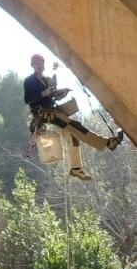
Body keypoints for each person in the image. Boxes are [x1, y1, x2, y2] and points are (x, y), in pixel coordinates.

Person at [23, 53, 123, 181]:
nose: (38, 65)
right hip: (45, 114)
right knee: (75, 126)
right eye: (36, 63)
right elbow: (28, 99)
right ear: (32, 65)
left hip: (53, 111)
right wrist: (46, 92)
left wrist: (61, 92)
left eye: (40, 63)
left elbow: (52, 96)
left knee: (73, 135)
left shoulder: (47, 79)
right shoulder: (29, 81)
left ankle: (76, 168)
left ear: (43, 64)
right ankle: (107, 142)